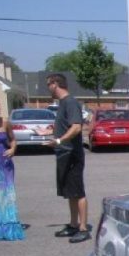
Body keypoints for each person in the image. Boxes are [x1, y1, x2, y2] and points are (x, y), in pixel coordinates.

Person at [43, 73, 90, 243]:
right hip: (64, 153)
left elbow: (76, 127)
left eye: (48, 84)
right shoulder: (62, 103)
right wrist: (49, 132)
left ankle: (83, 228)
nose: (48, 88)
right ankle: (73, 224)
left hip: (73, 154)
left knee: (78, 191)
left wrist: (58, 140)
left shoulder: (70, 102)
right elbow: (64, 127)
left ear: (55, 84)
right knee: (70, 193)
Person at [0, 97, 25, 241]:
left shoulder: (6, 123)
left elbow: (13, 140)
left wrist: (13, 149)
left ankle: (9, 226)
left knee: (7, 194)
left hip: (4, 163)